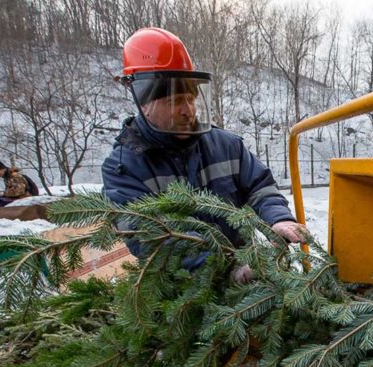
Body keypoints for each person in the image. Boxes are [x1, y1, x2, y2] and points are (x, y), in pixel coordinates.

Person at [102, 27, 307, 283]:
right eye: (175, 101)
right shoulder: (124, 168)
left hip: (243, 270)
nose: (188, 110)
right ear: (144, 103)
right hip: (180, 293)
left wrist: (277, 219)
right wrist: (224, 269)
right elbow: (151, 237)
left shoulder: (226, 145)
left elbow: (260, 187)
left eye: (190, 99)